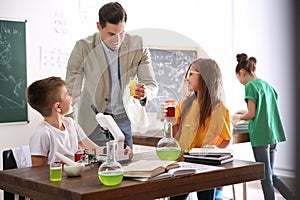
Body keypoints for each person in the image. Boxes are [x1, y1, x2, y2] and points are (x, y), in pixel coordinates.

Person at [65, 2, 158, 149]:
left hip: (124, 119)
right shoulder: (83, 48)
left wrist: (146, 93)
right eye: (111, 34)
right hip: (94, 119)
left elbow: (151, 84)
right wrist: (71, 128)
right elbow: (72, 92)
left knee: (126, 167)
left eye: (121, 33)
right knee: (97, 168)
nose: (117, 40)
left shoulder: (138, 46)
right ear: (99, 26)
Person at [26, 76, 132, 166]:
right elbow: (38, 174)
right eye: (67, 94)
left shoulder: (70, 124)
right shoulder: (42, 134)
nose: (71, 97)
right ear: (58, 107)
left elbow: (92, 150)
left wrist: (117, 151)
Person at [232, 53, 295, 200]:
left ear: (242, 73)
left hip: (261, 136)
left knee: (264, 176)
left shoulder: (249, 86)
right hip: (273, 134)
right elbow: (265, 110)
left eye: (239, 78)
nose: (240, 82)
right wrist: (245, 112)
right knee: (270, 173)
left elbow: (252, 114)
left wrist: (237, 117)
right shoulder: (267, 85)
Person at [170, 58, 232, 200]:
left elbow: (225, 141)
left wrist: (210, 148)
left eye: (191, 74)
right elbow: (176, 136)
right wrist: (172, 122)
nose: (187, 78)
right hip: (183, 163)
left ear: (205, 77)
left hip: (205, 164)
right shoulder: (184, 104)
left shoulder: (219, 109)